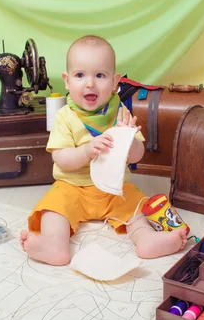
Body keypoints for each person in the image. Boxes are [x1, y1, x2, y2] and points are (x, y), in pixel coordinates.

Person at [19, 35, 187, 266]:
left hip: (113, 188)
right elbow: (61, 158)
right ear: (67, 81)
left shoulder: (120, 112)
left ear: (115, 81)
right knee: (53, 207)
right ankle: (54, 245)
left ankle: (147, 239)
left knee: (137, 205)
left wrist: (128, 138)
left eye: (100, 75)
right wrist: (86, 151)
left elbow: (137, 156)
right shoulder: (65, 116)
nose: (90, 83)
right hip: (73, 187)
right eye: (80, 75)